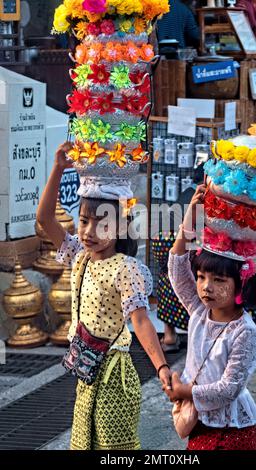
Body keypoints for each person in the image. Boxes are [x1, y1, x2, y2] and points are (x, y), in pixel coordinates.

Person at [36, 142, 172, 450]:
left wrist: (162, 368)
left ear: (122, 226)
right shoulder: (79, 255)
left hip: (114, 379)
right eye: (84, 220)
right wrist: (58, 168)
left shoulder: (126, 268)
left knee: (114, 450)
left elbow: (141, 321)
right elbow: (44, 219)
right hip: (86, 372)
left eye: (102, 223)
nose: (89, 231)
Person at [164, 185, 256, 450]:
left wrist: (184, 392)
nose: (206, 286)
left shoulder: (245, 332)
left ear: (241, 285)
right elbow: (176, 266)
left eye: (218, 280)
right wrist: (191, 218)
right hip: (199, 426)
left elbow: (228, 389)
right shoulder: (199, 312)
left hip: (232, 434)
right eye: (201, 277)